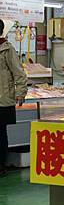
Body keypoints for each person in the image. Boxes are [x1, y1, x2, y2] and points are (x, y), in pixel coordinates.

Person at [0, 19, 27, 177]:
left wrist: (20, 92)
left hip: (3, 99)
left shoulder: (7, 49)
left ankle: (1, 164)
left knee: (0, 133)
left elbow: (19, 73)